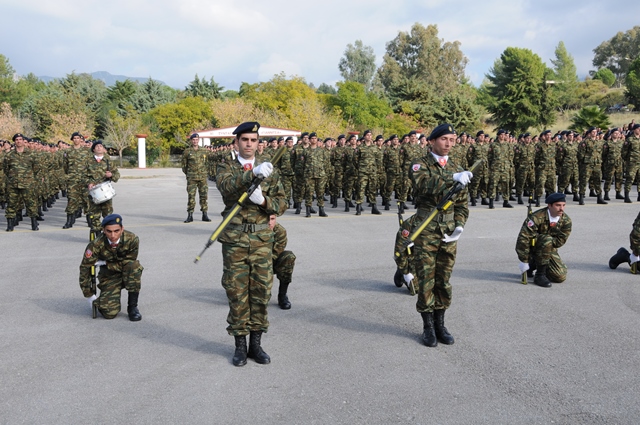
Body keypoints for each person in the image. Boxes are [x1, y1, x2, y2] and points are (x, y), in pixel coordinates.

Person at [216, 122, 287, 367]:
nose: (249, 144)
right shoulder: (226, 165)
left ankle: (256, 344)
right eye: (244, 139)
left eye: (253, 140)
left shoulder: (270, 168)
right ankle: (239, 345)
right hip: (234, 241)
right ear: (236, 142)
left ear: (259, 143)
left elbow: (282, 203)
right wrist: (252, 175)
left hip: (261, 240)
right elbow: (226, 187)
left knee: (261, 292)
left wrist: (265, 201)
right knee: (236, 293)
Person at [405, 123, 471, 347]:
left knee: (444, 278)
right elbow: (424, 184)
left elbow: (462, 204)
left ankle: (441, 323)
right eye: (444, 139)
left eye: (452, 140)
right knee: (426, 279)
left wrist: (459, 226)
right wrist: (453, 177)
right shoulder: (419, 165)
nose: (449, 144)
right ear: (432, 141)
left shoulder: (457, 166)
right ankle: (428, 326)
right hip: (427, 228)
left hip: (448, 230)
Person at [79, 214, 144, 321]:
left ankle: (132, 307)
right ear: (103, 230)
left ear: (122, 229)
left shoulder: (132, 239)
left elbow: (128, 263)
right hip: (109, 276)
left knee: (134, 267)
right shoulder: (96, 245)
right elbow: (84, 268)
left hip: (127, 273)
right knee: (109, 313)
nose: (113, 235)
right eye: (109, 231)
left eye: (116, 231)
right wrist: (88, 294)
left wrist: (106, 263)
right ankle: (105, 299)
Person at [516, 193, 572, 288]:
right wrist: (524, 260)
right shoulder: (536, 217)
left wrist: (547, 246)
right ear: (549, 205)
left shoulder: (566, 221)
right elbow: (523, 239)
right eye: (558, 205)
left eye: (563, 205)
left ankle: (534, 263)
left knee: (559, 277)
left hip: (549, 249)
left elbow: (560, 241)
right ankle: (539, 275)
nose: (561, 208)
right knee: (546, 239)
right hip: (531, 248)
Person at [4, 134, 40, 231]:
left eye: (20, 139)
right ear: (14, 142)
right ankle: (10, 225)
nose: (19, 141)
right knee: (11, 204)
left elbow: (36, 168)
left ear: (24, 141)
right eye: (17, 140)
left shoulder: (31, 154)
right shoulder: (9, 155)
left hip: (27, 183)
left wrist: (29, 177)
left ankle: (34, 223)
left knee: (31, 203)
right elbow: (6, 169)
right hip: (13, 183)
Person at [86, 140, 120, 235]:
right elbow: (82, 176)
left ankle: (107, 234)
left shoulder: (108, 161)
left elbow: (117, 175)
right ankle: (97, 235)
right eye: (96, 146)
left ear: (103, 149)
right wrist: (89, 183)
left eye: (101, 146)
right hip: (93, 193)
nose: (99, 147)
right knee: (94, 215)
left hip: (105, 193)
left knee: (108, 215)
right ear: (93, 149)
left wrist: (111, 175)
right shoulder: (88, 161)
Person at [268, 214, 296, 309]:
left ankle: (282, 295)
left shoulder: (280, 231)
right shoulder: (255, 229)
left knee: (288, 257)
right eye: (267, 219)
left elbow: (276, 252)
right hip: (254, 263)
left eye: (272, 219)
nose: (269, 222)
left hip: (271, 261)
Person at [181, 133, 211, 223]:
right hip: (192, 178)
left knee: (204, 196)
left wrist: (205, 172)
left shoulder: (204, 151)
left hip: (202, 177)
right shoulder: (187, 151)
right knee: (191, 197)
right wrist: (189, 174)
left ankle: (204, 214)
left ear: (199, 140)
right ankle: (190, 215)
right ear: (191, 141)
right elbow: (184, 165)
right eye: (193, 140)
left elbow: (207, 163)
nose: (195, 141)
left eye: (196, 140)